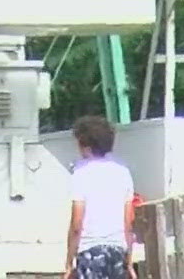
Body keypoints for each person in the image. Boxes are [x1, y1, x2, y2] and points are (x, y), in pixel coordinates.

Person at [64, 115, 136, 279]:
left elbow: (77, 224)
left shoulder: (80, 174)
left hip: (90, 252)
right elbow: (128, 223)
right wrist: (129, 261)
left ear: (86, 146)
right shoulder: (123, 172)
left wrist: (69, 262)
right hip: (117, 253)